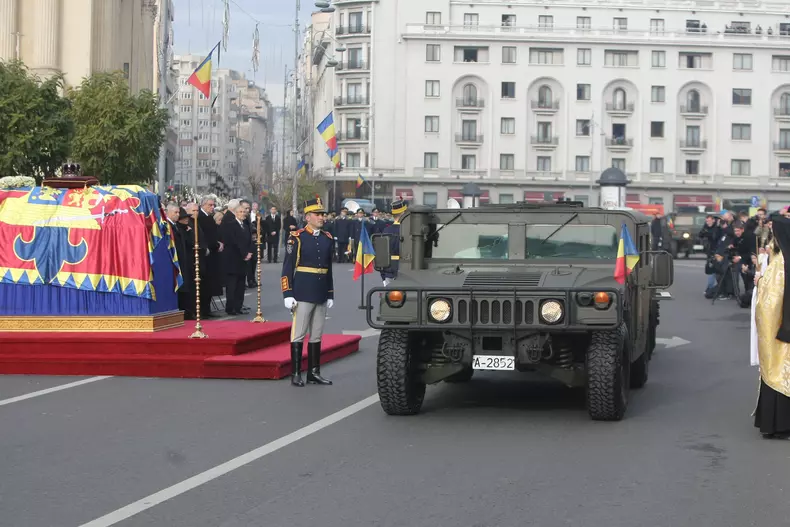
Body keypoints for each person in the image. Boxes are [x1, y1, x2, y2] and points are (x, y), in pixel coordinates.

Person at [281, 198, 335, 387]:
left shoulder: (327, 238)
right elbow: (287, 268)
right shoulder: (297, 237)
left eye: (323, 214)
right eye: (318, 214)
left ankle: (314, 372)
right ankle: (296, 373)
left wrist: (330, 293)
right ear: (307, 217)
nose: (322, 217)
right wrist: (287, 293)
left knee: (317, 334)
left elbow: (328, 268)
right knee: (299, 333)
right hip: (303, 291)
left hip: (320, 291)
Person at [753, 214, 790, 439]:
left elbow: (772, 300)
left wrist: (760, 282)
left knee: (777, 372)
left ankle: (778, 424)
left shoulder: (781, 262)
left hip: (780, 330)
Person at [219, 202, 253, 316]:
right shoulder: (231, 225)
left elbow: (250, 241)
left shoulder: (246, 225)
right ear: (235, 213)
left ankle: (239, 307)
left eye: (244, 212)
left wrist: (250, 252)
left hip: (244, 260)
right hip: (233, 259)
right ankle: (231, 308)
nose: (243, 214)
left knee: (241, 285)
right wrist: (244, 253)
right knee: (232, 285)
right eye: (240, 212)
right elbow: (233, 242)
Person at [196, 196, 223, 318]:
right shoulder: (200, 218)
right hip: (206, 254)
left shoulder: (209, 217)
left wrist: (218, 243)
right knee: (204, 284)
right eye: (210, 205)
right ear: (203, 205)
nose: (212, 207)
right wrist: (216, 244)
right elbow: (205, 236)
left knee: (210, 284)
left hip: (213, 253)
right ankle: (202, 310)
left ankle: (207, 309)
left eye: (213, 205)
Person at [381, 199, 407, 286]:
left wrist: (383, 275)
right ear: (404, 213)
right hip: (407, 269)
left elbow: (382, 254)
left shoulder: (386, 230)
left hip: (389, 269)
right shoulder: (408, 230)